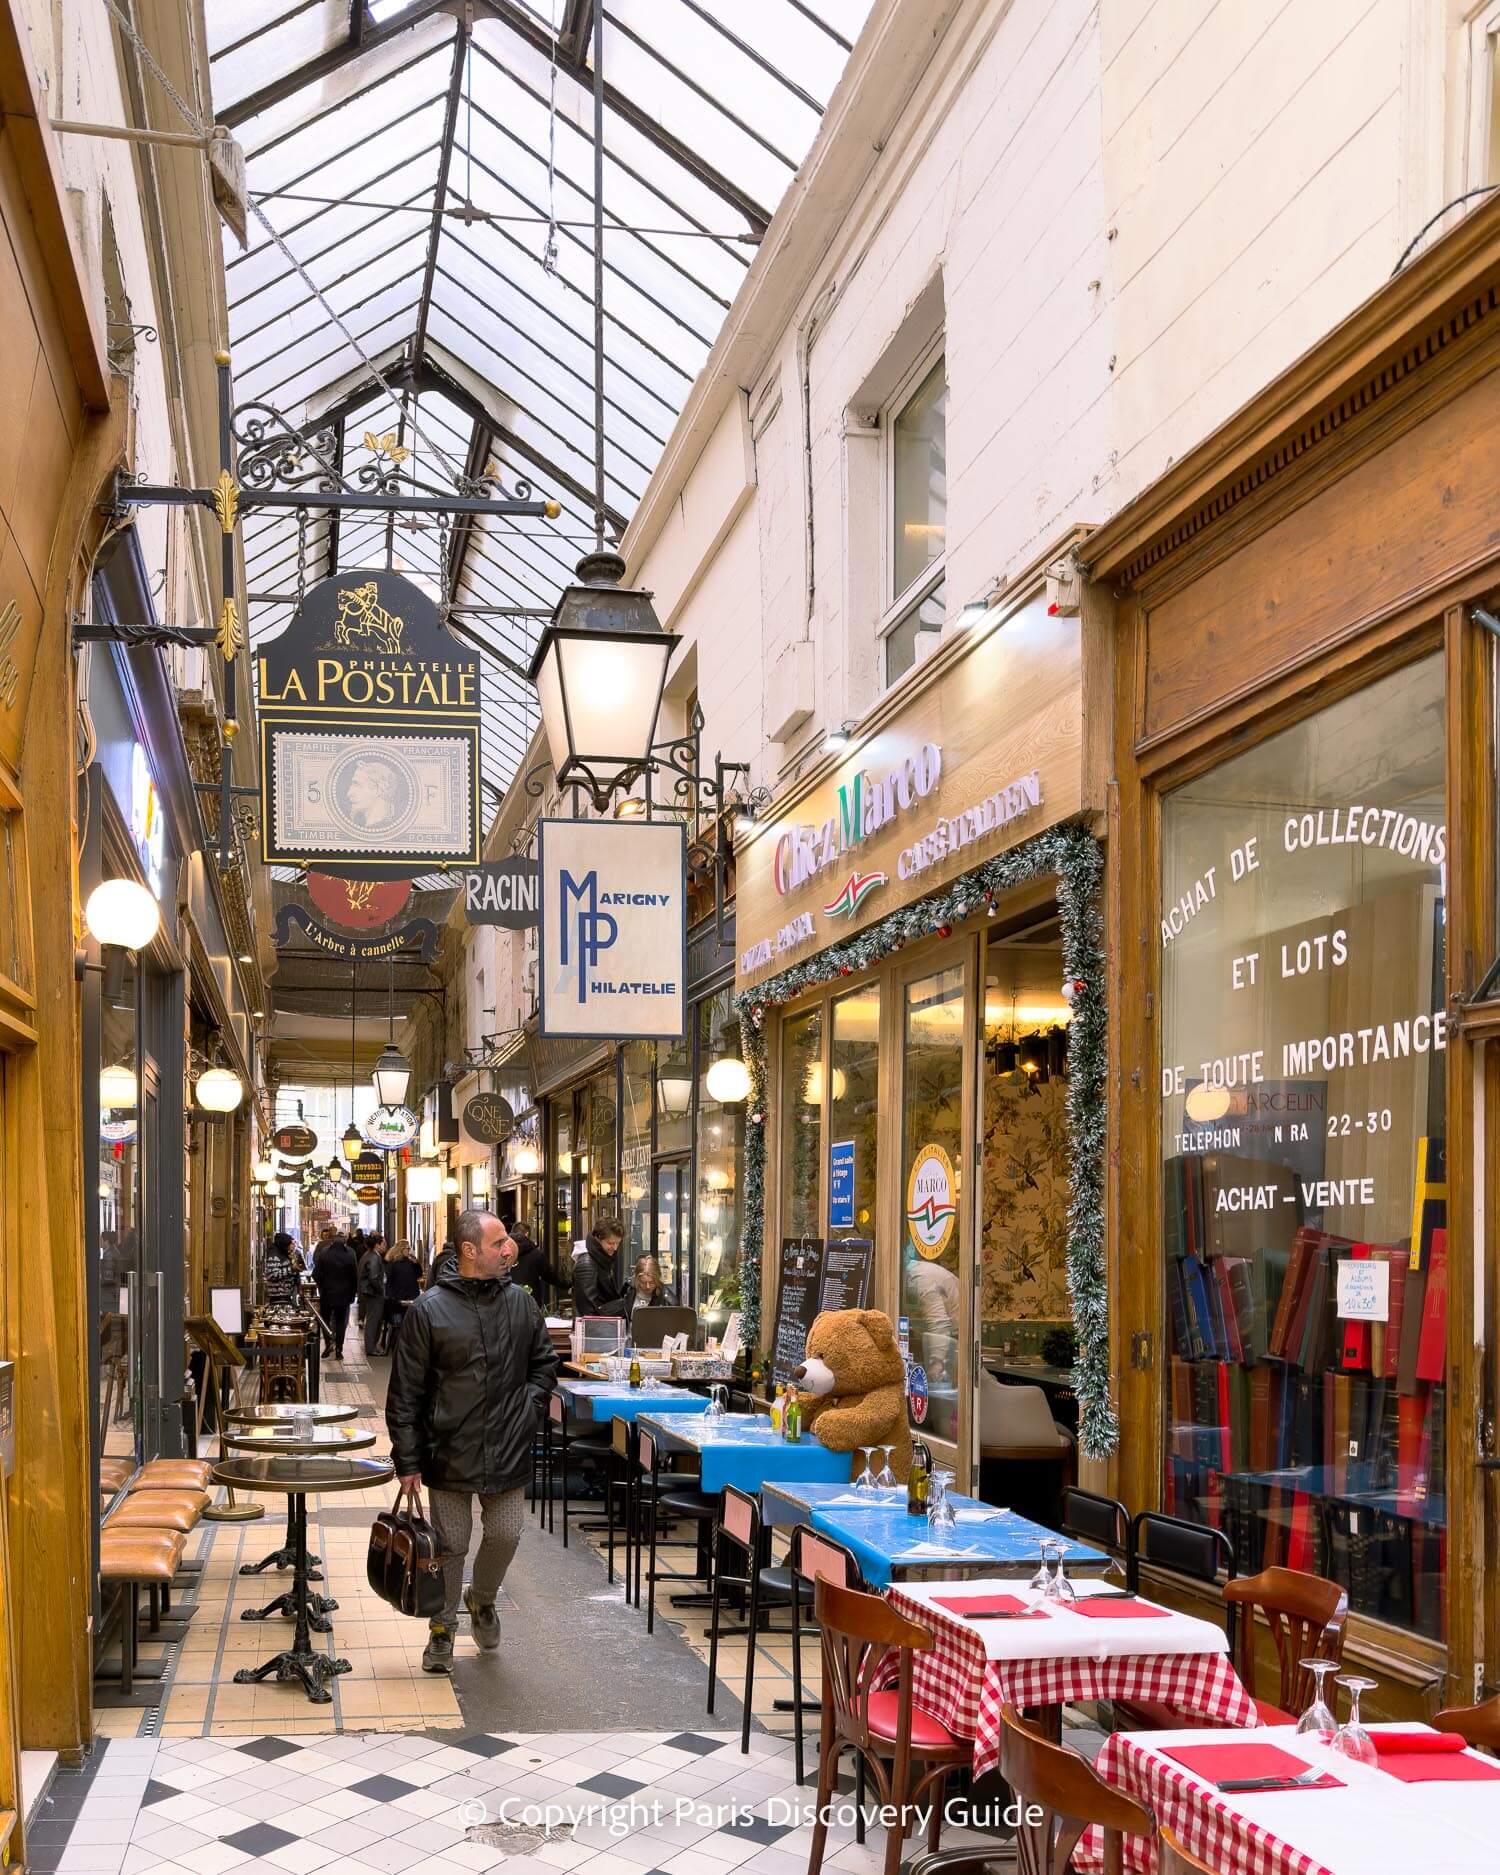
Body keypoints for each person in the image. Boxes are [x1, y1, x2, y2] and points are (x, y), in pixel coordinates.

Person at [386, 1208, 558, 1673]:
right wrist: (408, 1461)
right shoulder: (429, 1311)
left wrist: (529, 1410)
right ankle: (442, 1629)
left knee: (505, 1534)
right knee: (451, 1544)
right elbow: (405, 1394)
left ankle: (481, 1600)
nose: (510, 1249)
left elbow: (543, 1365)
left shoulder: (521, 1303)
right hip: (449, 1451)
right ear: (468, 1251)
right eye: (499, 1242)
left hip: (507, 1445)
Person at [572, 1216, 630, 1319]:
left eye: (618, 1243)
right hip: (596, 1329)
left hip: (602, 1326)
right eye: (611, 1243)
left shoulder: (601, 1259)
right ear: (598, 1238)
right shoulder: (587, 1264)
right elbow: (589, 1311)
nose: (615, 1248)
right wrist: (621, 1306)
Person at [312, 1229, 357, 1357]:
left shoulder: (325, 1253)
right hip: (344, 1295)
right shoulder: (350, 1254)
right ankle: (339, 1349)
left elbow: (316, 1274)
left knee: (325, 1320)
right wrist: (353, 1293)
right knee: (340, 1322)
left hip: (327, 1293)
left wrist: (322, 1286)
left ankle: (328, 1344)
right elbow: (354, 1276)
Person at [381, 1238, 421, 1346]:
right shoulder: (393, 1263)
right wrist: (392, 1298)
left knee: (408, 1323)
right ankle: (398, 1345)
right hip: (398, 1299)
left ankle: (405, 1345)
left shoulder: (410, 1262)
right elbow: (390, 1282)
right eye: (408, 1248)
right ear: (402, 1249)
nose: (409, 1250)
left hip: (409, 1297)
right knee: (398, 1324)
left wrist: (416, 1263)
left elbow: (418, 1275)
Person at [508, 1224, 556, 1306]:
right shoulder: (536, 1254)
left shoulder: (503, 1252)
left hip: (508, 1301)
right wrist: (568, 1284)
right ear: (526, 1234)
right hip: (531, 1301)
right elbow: (549, 1276)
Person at [357, 1235, 387, 1355]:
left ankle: (372, 1346)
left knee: (372, 1320)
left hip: (368, 1292)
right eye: (383, 1244)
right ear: (377, 1245)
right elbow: (374, 1277)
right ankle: (371, 1348)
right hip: (373, 1293)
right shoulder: (374, 1257)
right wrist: (381, 1290)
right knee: (373, 1321)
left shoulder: (368, 1255)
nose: (385, 1246)